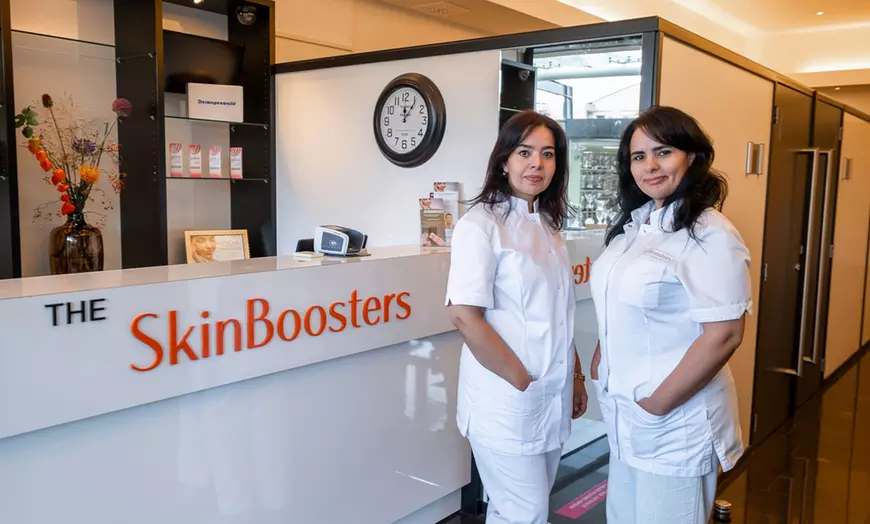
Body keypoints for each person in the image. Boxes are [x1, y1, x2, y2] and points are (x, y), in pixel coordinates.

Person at [588, 106, 752, 524]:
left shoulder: (710, 232)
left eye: (663, 152)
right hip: (626, 416)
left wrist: (655, 406)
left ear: (691, 157)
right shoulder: (635, 228)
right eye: (638, 156)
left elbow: (725, 334)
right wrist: (602, 356)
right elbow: (619, 300)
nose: (650, 166)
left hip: (673, 423)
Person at [445, 110, 588, 524]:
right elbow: (464, 316)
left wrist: (575, 376)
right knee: (525, 512)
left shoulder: (548, 224)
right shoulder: (480, 225)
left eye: (548, 154)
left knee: (521, 510)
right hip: (507, 400)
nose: (536, 164)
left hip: (552, 393)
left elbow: (559, 313)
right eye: (525, 152)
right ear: (504, 160)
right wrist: (522, 381)